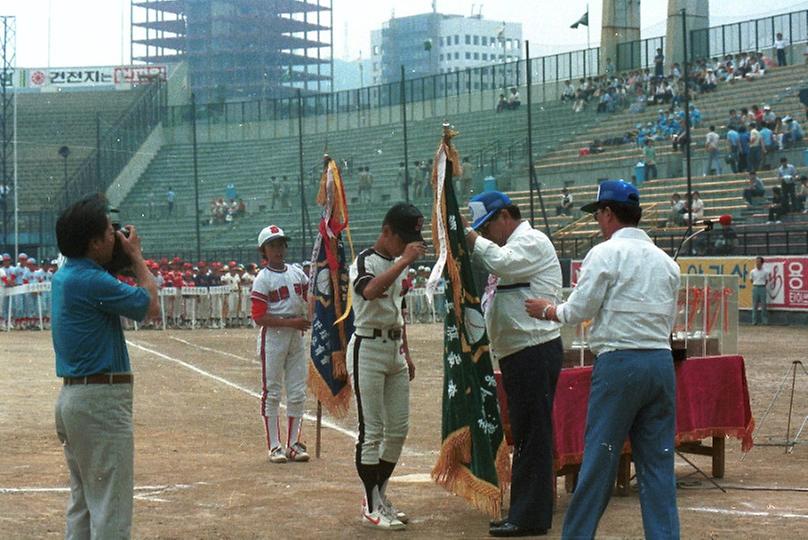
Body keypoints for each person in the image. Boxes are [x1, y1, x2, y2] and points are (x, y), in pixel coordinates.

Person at [524, 180, 681, 539]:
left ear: (608, 214)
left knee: (598, 461)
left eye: (598, 214)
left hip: (619, 364)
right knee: (658, 465)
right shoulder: (665, 263)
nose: (597, 221)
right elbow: (670, 319)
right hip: (659, 362)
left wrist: (549, 310)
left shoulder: (605, 254)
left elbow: (580, 308)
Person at [52, 193, 160, 538]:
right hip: (100, 402)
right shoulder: (91, 280)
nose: (115, 237)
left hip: (76, 399)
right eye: (109, 233)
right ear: (93, 242)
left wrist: (118, 255)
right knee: (111, 508)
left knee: (83, 505)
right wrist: (135, 255)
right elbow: (150, 306)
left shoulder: (68, 274)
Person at [463, 191, 563, 538]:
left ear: (506, 215)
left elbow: (502, 263)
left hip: (534, 349)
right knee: (525, 433)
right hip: (519, 352)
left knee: (532, 435)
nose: (487, 234)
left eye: (488, 226)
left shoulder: (531, 242)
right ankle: (524, 511)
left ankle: (530, 516)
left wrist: (472, 238)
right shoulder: (512, 246)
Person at [348, 203, 425, 530]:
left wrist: (405, 352)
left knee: (398, 428)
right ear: (387, 232)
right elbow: (369, 290)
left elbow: (398, 309)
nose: (406, 245)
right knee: (372, 430)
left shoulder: (398, 264)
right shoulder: (365, 259)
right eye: (402, 238)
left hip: (392, 348)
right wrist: (404, 261)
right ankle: (371, 504)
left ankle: (377, 497)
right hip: (367, 346)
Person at [251, 225, 311, 464]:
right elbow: (259, 317)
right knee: (272, 391)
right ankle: (275, 445)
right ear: (264, 250)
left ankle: (293, 443)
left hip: (295, 336)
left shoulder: (297, 273)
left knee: (297, 391)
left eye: (280, 244)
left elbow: (311, 296)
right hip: (274, 336)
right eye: (272, 245)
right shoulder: (262, 279)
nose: (278, 249)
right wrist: (291, 322)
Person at [751, 256, 769, 325]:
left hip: (762, 287)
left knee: (763, 305)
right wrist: (756, 284)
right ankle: (754, 321)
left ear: (762, 263)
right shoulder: (752, 271)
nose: (757, 263)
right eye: (756, 261)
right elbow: (751, 280)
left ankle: (764, 321)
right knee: (754, 305)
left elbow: (766, 280)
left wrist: (762, 285)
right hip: (755, 287)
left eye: (758, 262)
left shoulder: (765, 272)